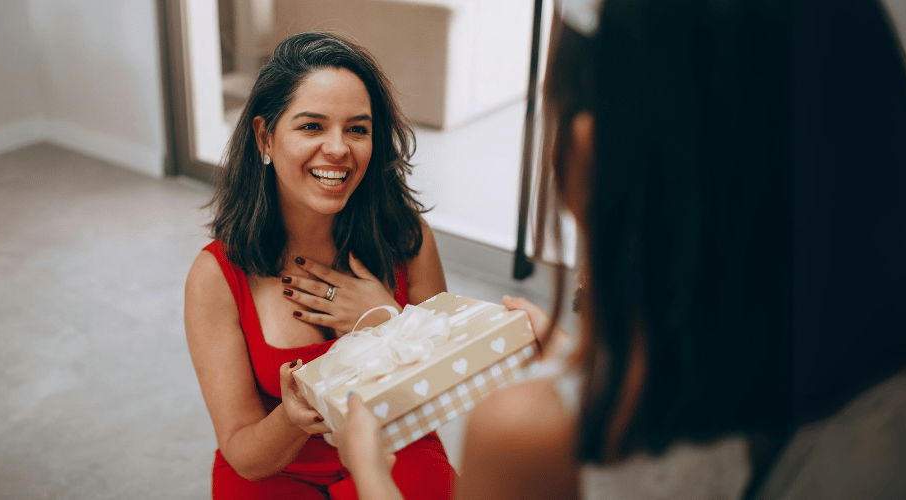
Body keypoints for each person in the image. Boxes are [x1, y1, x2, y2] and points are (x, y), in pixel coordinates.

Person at [331, 0, 817, 497]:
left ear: (584, 145)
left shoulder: (529, 431)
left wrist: (369, 468)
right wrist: (567, 350)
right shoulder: (822, 372)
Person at [184, 32, 456, 499]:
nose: (338, 149)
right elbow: (245, 456)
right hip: (276, 466)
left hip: (393, 444)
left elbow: (442, 390)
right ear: (264, 137)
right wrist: (294, 417)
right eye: (312, 126)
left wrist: (388, 321)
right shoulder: (215, 277)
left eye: (357, 128)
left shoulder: (408, 239)